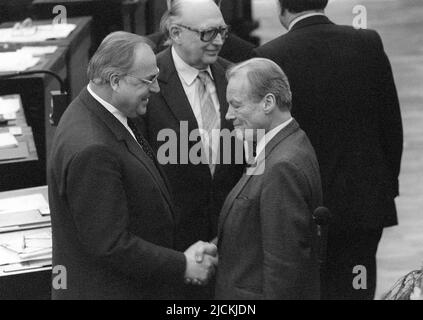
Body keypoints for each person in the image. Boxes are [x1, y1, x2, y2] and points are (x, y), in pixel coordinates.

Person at [48, 31, 217, 300]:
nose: (156, 89)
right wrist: (182, 264)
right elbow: (110, 244)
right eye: (148, 80)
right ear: (115, 81)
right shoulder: (93, 149)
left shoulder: (103, 110)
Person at [253, 0, 403, 300]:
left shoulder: (270, 56)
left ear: (281, 9)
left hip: (303, 204)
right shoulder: (367, 42)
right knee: (357, 287)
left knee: (312, 289)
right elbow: (391, 124)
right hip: (364, 205)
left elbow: (264, 136)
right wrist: (386, 186)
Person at [140, 0, 244, 299]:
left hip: (233, 249)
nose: (220, 41)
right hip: (174, 254)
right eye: (208, 33)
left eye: (223, 30)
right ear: (175, 33)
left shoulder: (235, 77)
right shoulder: (148, 81)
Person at [214, 58, 322, 300]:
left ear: (268, 102)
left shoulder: (281, 165)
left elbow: (283, 266)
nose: (229, 115)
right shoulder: (284, 145)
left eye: (236, 105)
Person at [146, 0, 256, 63]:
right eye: (206, 32)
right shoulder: (146, 54)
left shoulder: (246, 55)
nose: (218, 42)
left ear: (218, 5)